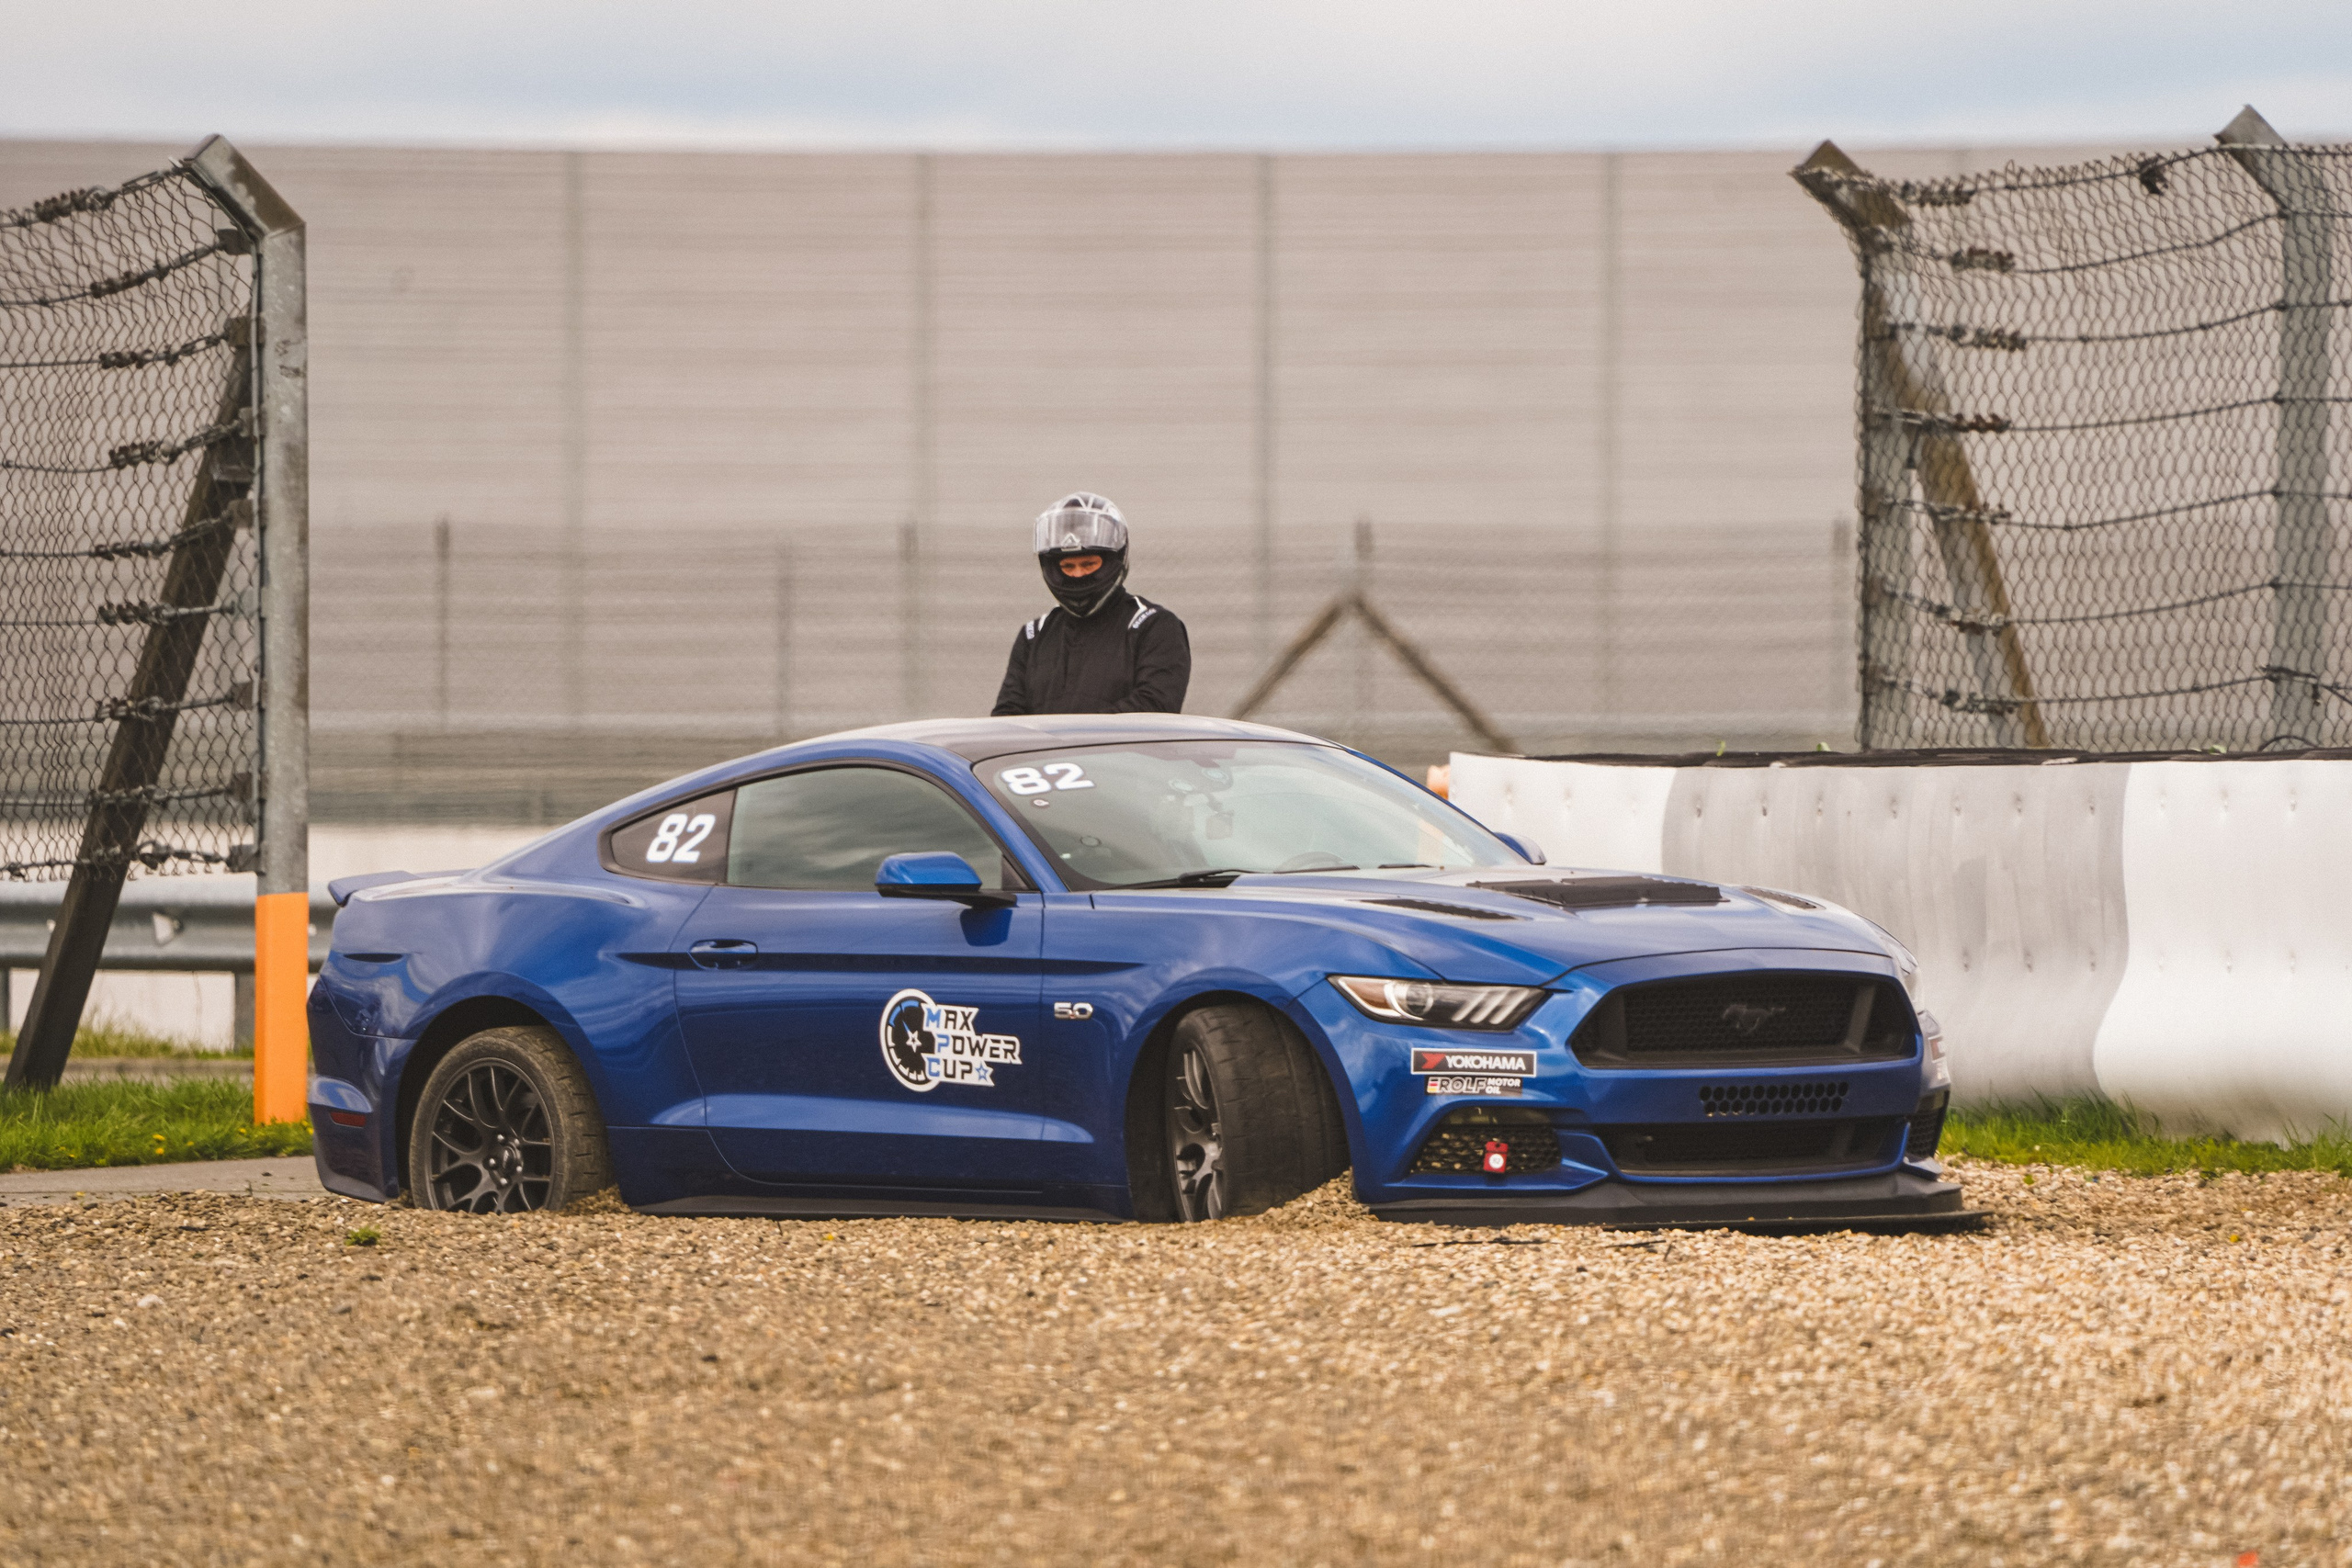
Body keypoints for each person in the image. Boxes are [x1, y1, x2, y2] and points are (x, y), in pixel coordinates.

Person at [992, 491, 1192, 716]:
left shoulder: (1153, 627)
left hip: (1121, 751)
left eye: (1088, 564)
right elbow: (1006, 717)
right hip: (1047, 752)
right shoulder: (1034, 635)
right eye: (1068, 567)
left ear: (1113, 561)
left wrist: (1066, 740)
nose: (1078, 575)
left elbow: (1154, 709)